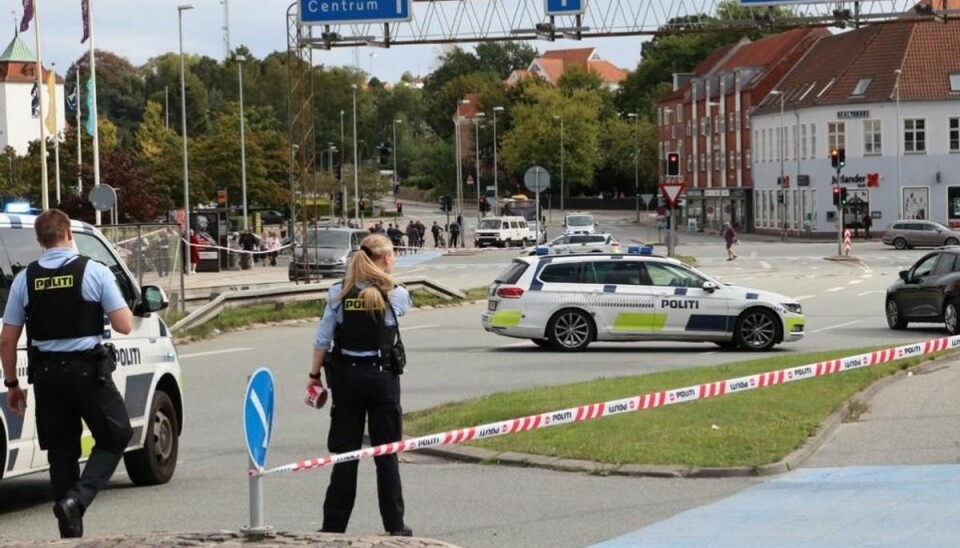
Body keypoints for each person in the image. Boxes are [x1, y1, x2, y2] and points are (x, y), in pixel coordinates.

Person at [0, 209, 134, 539]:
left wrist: (12, 384)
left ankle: (69, 536)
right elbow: (125, 324)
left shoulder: (24, 279)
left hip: (46, 378)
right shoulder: (95, 272)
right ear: (69, 234)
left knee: (61, 454)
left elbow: (7, 338)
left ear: (39, 241)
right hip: (88, 374)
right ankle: (78, 498)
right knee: (116, 436)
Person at [308, 233, 413, 537]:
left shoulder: (337, 294)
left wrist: (314, 376)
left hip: (347, 381)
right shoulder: (396, 295)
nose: (393, 260)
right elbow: (398, 311)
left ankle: (333, 526)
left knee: (345, 457)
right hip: (383, 379)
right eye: (392, 255)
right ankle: (395, 526)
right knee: (387, 455)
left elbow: (322, 341)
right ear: (384, 260)